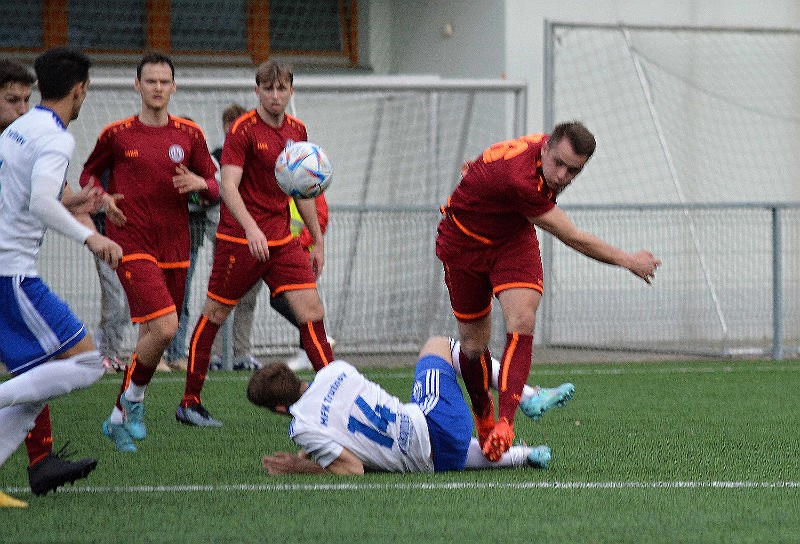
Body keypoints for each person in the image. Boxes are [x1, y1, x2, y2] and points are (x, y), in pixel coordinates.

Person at [436, 122, 662, 462]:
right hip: (462, 243)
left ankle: (505, 424)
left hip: (511, 239)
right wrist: (628, 260)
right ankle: (483, 419)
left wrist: (480, 169)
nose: (562, 176)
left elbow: (496, 156)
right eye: (558, 164)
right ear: (545, 149)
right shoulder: (520, 181)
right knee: (472, 346)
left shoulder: (542, 151)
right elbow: (572, 236)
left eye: (574, 170)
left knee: (522, 319)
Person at [0, 48, 123, 507]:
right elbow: (39, 203)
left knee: (38, 381)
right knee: (89, 363)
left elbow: (31, 193)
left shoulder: (19, 127)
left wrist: (79, 201)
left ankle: (38, 466)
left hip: (5, 270)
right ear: (79, 90)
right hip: (12, 273)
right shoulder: (55, 136)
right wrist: (91, 239)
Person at [182, 60, 334, 428]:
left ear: (291, 91)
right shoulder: (242, 130)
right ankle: (190, 402)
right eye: (268, 89)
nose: (275, 96)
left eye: (282, 89)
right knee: (215, 314)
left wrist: (317, 239)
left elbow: (303, 190)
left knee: (312, 312)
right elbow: (228, 187)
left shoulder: (297, 129)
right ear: (258, 91)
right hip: (239, 241)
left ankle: (338, 393)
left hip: (282, 241)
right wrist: (250, 228)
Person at [80, 51, 219, 453]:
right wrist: (102, 198)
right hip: (133, 244)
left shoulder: (189, 134)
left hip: (177, 247)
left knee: (152, 336)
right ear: (137, 85)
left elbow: (215, 185)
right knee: (166, 328)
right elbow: (88, 174)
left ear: (173, 87)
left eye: (165, 81)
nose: (158, 88)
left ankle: (118, 417)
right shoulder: (117, 134)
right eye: (151, 81)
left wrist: (197, 182)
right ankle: (134, 404)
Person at [248, 336, 563, 475]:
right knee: (439, 346)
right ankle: (528, 398)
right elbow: (341, 415)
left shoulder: (302, 427)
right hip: (438, 426)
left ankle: (524, 453)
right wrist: (310, 453)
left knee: (436, 445)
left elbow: (352, 468)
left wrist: (300, 465)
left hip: (431, 457)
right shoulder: (334, 370)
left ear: (278, 408)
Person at [90, 170, 131, 373]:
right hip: (106, 243)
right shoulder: (106, 168)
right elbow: (93, 201)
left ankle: (112, 353)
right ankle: (103, 354)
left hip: (130, 244)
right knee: (114, 300)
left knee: (126, 304)